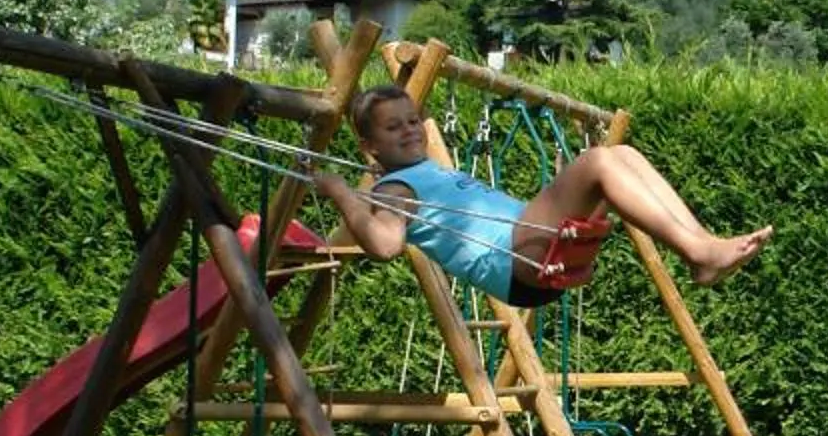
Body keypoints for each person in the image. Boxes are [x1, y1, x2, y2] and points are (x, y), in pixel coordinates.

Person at [314, 86, 772, 305]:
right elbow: (384, 245)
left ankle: (700, 248)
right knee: (598, 162)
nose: (410, 131)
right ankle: (698, 251)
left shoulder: (414, 171)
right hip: (519, 257)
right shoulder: (396, 189)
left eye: (413, 120)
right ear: (370, 146)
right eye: (393, 128)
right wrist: (339, 190)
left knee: (623, 154)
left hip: (533, 255)